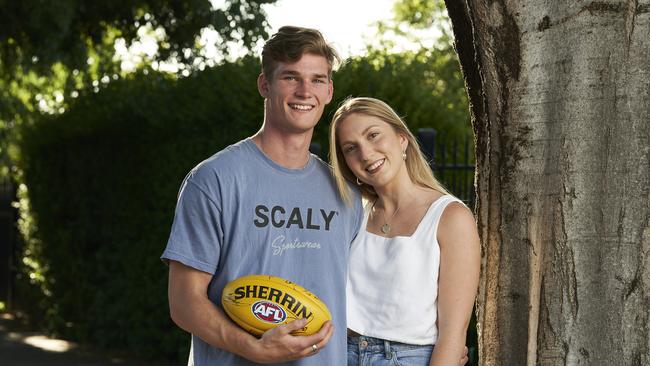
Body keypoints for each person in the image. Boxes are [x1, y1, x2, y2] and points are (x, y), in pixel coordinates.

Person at [161, 26, 364, 365]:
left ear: (329, 91)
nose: (304, 91)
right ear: (264, 85)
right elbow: (184, 302)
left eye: (317, 80)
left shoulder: (345, 193)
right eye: (290, 77)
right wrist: (254, 349)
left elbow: (362, 299)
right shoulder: (214, 180)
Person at [329, 97, 481, 366]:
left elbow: (452, 335)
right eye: (351, 148)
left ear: (402, 139)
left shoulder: (450, 217)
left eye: (373, 135)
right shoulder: (350, 214)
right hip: (341, 353)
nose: (365, 153)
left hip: (410, 358)